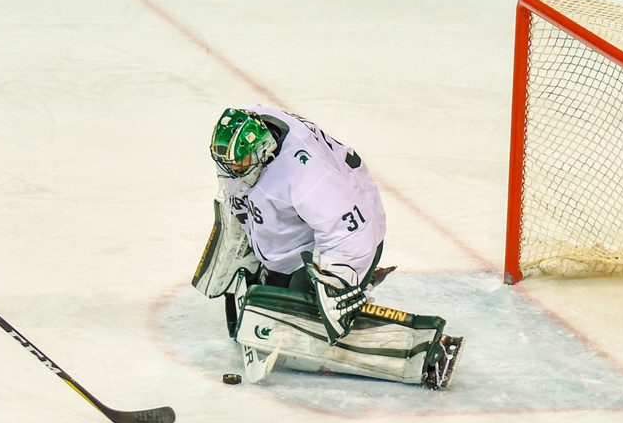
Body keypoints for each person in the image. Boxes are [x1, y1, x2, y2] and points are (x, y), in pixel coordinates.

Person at [192, 105, 464, 388]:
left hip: (352, 236)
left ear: (263, 150)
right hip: (298, 237)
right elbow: (239, 192)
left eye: (239, 165)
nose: (231, 171)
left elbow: (352, 232)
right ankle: (294, 283)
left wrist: (336, 285)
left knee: (302, 333)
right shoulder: (241, 143)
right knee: (260, 313)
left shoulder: (310, 176)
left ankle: (427, 350)